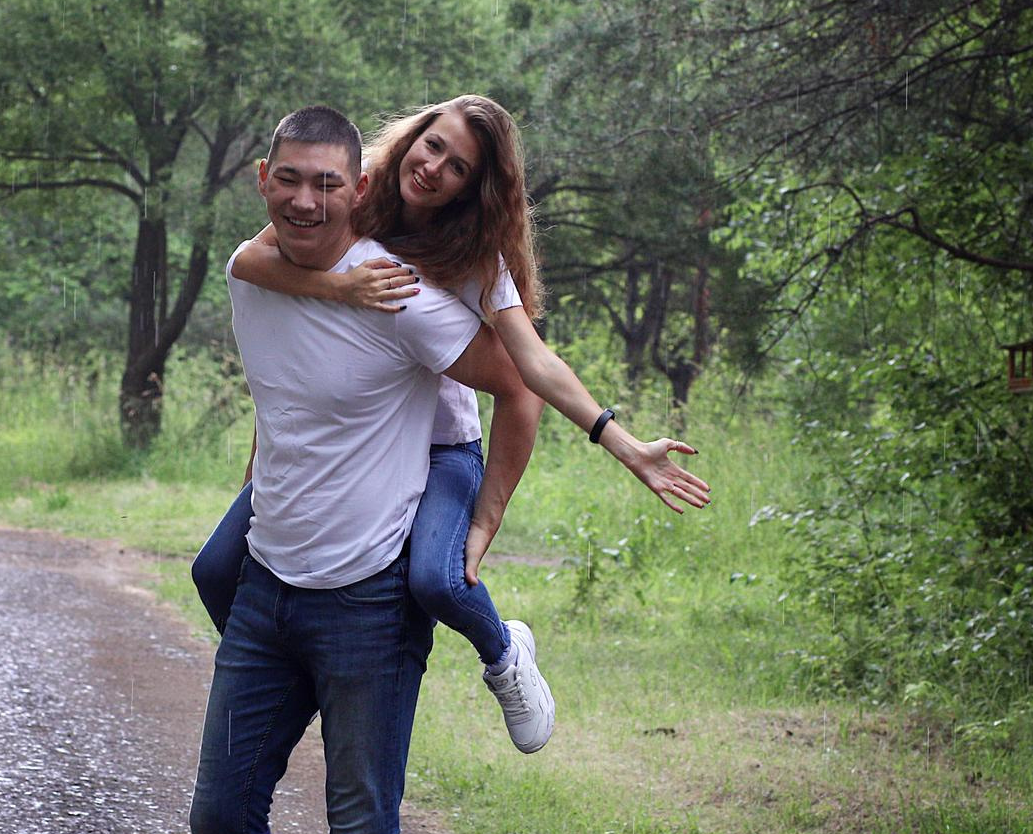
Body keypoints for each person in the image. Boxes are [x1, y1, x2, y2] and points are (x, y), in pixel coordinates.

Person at [190, 104, 538, 834]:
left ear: (352, 189)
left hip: (369, 598)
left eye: (324, 184)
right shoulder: (254, 271)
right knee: (220, 816)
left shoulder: (414, 295)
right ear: (263, 179)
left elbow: (521, 380)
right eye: (288, 179)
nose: (304, 197)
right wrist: (324, 280)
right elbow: (272, 291)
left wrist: (510, 499)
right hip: (269, 591)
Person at [189, 94, 709, 757]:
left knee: (438, 578)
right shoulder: (353, 187)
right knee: (215, 568)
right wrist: (341, 288)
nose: (435, 167)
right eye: (433, 144)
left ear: (475, 188)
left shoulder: (476, 260)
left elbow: (532, 371)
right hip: (342, 437)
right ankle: (285, 679)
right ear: (412, 137)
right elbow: (252, 261)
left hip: (440, 449)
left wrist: (611, 445)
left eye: (458, 166)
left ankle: (505, 651)